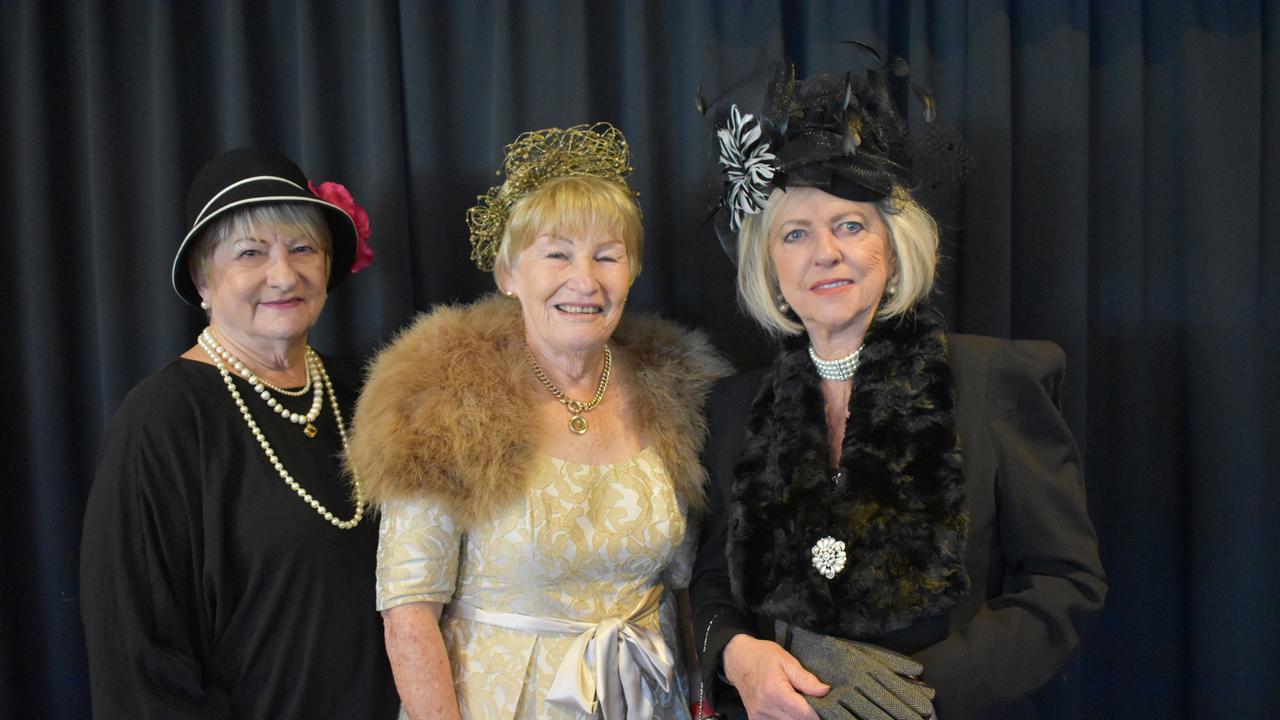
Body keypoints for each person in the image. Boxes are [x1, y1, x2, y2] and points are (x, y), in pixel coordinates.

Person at [690, 61, 1107, 720]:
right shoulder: (733, 406)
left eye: (850, 225)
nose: (824, 252)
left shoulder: (992, 381)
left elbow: (1064, 584)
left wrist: (913, 696)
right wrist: (738, 655)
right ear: (769, 268)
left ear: (893, 244)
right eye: (795, 234)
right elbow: (713, 581)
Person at [347, 122, 729, 720]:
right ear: (508, 274)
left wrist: (702, 699)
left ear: (630, 271)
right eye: (556, 254)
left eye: (607, 255)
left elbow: (682, 589)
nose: (585, 280)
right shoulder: (443, 397)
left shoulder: (674, 394)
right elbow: (409, 614)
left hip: (653, 700)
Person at [80, 148, 397, 719]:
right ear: (203, 277)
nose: (284, 274)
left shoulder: (366, 393)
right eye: (250, 253)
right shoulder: (163, 421)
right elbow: (138, 660)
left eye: (303, 248)